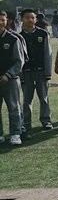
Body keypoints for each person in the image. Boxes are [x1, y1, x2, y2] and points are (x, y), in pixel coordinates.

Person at [19, 9, 53, 132]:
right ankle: (26, 123)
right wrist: (20, 74)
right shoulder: (19, 37)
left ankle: (46, 120)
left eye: (32, 17)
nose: (30, 20)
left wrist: (48, 72)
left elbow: (47, 54)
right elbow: (19, 58)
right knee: (27, 100)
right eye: (27, 17)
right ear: (22, 19)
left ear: (36, 19)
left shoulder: (43, 34)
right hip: (26, 72)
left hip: (41, 71)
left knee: (44, 97)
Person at [0, 10, 26, 145]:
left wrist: (8, 75)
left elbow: (19, 61)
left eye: (2, 20)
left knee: (14, 107)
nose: (0, 22)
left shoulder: (13, 39)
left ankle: (15, 133)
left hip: (10, 79)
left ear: (7, 21)